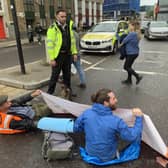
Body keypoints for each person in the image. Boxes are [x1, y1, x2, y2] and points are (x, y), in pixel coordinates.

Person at [74, 88, 143, 162]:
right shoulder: (116, 121)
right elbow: (132, 136)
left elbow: (76, 128)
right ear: (105, 103)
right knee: (132, 134)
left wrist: (90, 128)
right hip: (108, 157)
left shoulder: (86, 113)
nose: (116, 100)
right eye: (113, 99)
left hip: (90, 153)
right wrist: (139, 117)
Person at [47, 9, 78, 96]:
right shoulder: (52, 28)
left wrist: (74, 53)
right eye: (62, 17)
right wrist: (52, 58)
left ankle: (68, 91)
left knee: (67, 75)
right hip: (58, 56)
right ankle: (50, 93)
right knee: (55, 75)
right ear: (57, 17)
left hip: (67, 55)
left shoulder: (68, 26)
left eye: (65, 16)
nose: (64, 18)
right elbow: (50, 45)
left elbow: (72, 41)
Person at [120, 21, 143, 85]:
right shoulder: (136, 33)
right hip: (134, 52)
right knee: (129, 66)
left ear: (133, 26)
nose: (128, 27)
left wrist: (120, 45)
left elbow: (124, 41)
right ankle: (129, 80)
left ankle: (138, 76)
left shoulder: (132, 34)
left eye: (129, 25)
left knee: (126, 67)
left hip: (131, 53)